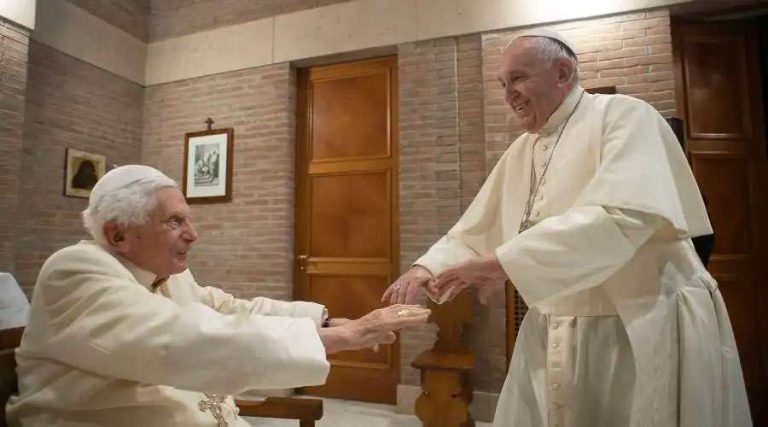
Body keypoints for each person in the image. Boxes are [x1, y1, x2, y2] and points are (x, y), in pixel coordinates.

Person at [382, 30, 750, 427]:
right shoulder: (521, 150)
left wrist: (504, 263)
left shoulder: (624, 116)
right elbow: (477, 228)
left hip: (637, 321)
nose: (509, 94)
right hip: (557, 324)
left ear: (563, 72)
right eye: (503, 84)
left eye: (519, 78)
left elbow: (626, 215)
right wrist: (429, 267)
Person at [7, 165, 430, 426]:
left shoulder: (161, 273)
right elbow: (184, 338)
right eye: (175, 222)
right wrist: (344, 338)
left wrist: (329, 322)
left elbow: (227, 308)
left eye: (189, 219)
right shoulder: (75, 271)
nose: (193, 234)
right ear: (119, 234)